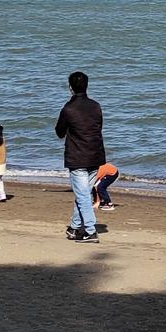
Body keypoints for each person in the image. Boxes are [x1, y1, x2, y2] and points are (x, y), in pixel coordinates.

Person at [54, 70, 105, 242]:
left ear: (70, 88)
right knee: (82, 194)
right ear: (86, 86)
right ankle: (75, 228)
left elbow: (59, 132)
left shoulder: (68, 109)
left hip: (78, 158)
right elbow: (99, 127)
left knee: (82, 195)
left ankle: (90, 231)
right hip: (95, 156)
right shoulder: (96, 106)